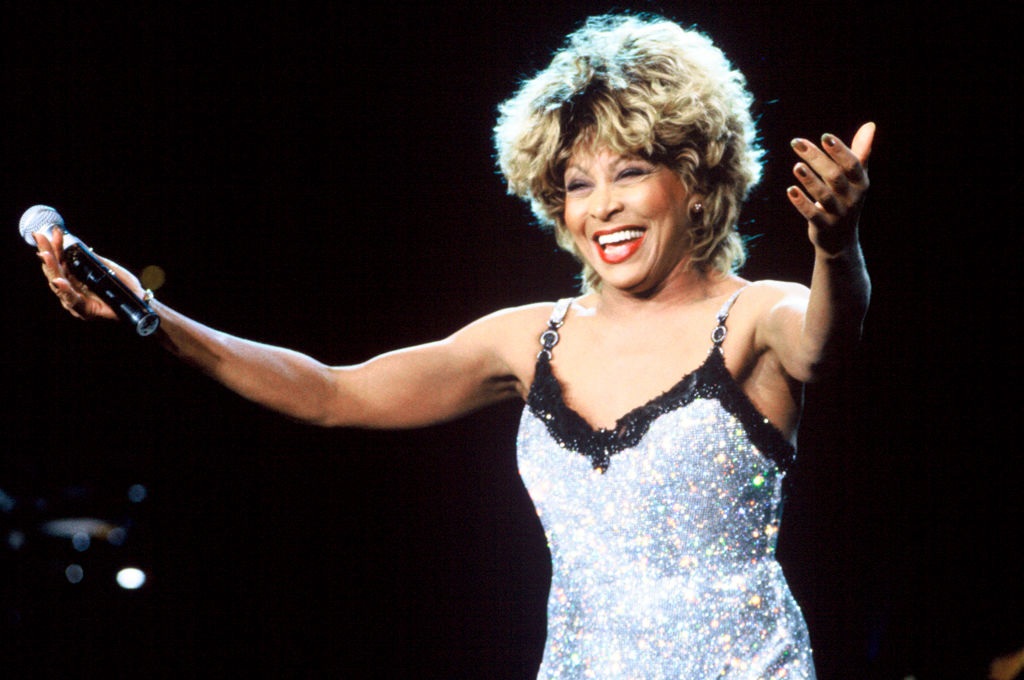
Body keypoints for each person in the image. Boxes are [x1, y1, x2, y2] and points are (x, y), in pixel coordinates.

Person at [33, 14, 873, 680]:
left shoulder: (760, 314)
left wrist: (836, 248)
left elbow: (826, 341)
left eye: (631, 173)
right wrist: (150, 314)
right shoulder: (528, 340)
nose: (602, 208)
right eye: (578, 183)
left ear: (697, 181)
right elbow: (334, 392)